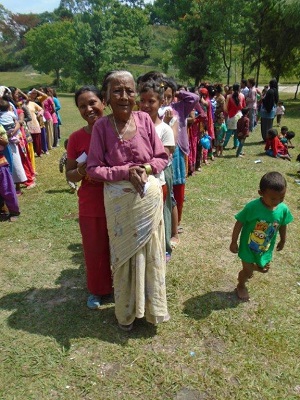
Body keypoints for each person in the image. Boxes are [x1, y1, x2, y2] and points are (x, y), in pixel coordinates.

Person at [87, 70, 170, 331]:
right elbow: (93, 168)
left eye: (130, 91)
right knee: (123, 257)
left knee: (151, 254)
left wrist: (144, 170)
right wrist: (124, 171)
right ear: (107, 97)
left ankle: (151, 310)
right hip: (119, 203)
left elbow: (161, 157)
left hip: (147, 198)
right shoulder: (102, 126)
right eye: (117, 91)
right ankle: (126, 311)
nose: (125, 96)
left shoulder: (145, 120)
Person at [66, 85, 113, 310]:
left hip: (119, 197)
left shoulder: (118, 129)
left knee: (120, 244)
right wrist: (83, 170)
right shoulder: (76, 138)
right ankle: (98, 289)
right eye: (82, 106)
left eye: (93, 102)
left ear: (103, 102)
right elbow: (69, 173)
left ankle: (122, 285)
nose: (89, 109)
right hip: (91, 201)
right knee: (94, 247)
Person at [230, 171, 293, 301]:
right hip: (248, 246)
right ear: (261, 193)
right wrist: (233, 241)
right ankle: (241, 286)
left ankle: (252, 269)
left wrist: (283, 240)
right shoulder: (252, 207)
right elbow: (239, 223)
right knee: (247, 272)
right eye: (273, 198)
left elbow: (283, 225)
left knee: (264, 269)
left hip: (265, 248)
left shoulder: (283, 209)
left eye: (282, 197)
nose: (277, 202)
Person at [138, 78, 175, 261]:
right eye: (142, 100)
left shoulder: (165, 129)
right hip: (139, 183)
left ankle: (164, 247)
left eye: (151, 101)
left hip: (159, 181)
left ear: (161, 103)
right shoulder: (133, 126)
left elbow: (164, 157)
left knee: (161, 215)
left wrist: (142, 168)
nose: (145, 105)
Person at [0, 124, 20, 221]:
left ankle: (13, 211)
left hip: (1, 164)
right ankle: (2, 210)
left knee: (6, 188)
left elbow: (5, 142)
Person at [223, 83, 246, 149]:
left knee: (228, 132)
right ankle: (236, 145)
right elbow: (244, 106)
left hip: (231, 116)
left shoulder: (229, 96)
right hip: (240, 116)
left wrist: (229, 113)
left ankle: (224, 145)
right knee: (237, 132)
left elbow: (226, 108)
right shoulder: (242, 96)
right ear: (239, 89)